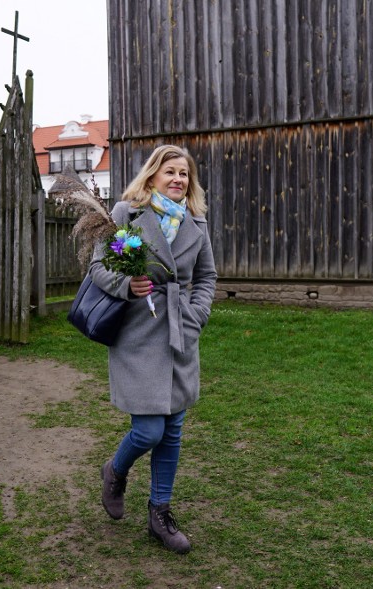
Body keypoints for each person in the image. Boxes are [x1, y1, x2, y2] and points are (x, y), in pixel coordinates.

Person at [92, 145, 216, 554]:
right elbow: (97, 267)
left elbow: (207, 276)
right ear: (152, 177)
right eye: (171, 172)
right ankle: (116, 469)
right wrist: (127, 285)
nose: (179, 179)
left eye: (185, 174)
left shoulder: (195, 223)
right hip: (137, 334)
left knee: (173, 430)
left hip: (180, 333)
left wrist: (197, 314)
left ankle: (159, 514)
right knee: (148, 429)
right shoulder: (126, 215)